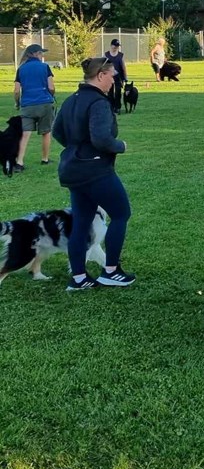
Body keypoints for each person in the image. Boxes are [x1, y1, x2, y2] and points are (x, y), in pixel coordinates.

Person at [52, 58, 135, 290]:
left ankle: (79, 277)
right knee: (121, 214)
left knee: (81, 222)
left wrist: (76, 149)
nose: (114, 79)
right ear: (100, 76)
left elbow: (58, 132)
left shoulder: (71, 100)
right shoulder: (98, 102)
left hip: (73, 170)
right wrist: (121, 145)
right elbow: (101, 139)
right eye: (111, 75)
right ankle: (111, 271)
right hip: (95, 170)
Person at [12, 44, 56, 172]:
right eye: (41, 53)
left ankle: (19, 162)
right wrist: (51, 96)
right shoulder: (45, 67)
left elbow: (16, 91)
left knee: (25, 134)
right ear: (35, 54)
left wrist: (17, 103)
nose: (42, 55)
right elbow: (51, 87)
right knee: (46, 132)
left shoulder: (21, 69)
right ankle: (45, 159)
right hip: (44, 103)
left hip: (27, 104)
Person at [104, 39, 128, 114]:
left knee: (118, 92)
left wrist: (125, 78)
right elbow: (102, 65)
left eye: (117, 46)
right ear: (111, 45)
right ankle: (111, 106)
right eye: (115, 46)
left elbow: (123, 67)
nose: (116, 48)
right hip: (109, 76)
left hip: (118, 76)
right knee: (110, 93)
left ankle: (117, 107)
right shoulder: (106, 55)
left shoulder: (121, 55)